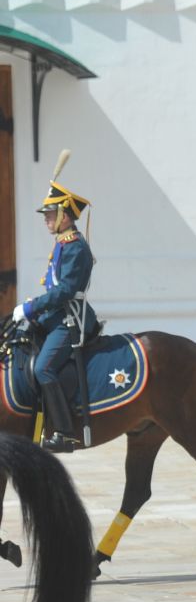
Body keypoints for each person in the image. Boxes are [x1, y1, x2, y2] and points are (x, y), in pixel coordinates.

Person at [12, 167, 99, 453]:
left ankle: (63, 433)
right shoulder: (62, 244)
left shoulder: (74, 247)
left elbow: (63, 292)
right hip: (57, 316)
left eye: (50, 214)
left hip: (71, 321)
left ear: (65, 216)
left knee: (44, 368)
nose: (47, 220)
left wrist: (32, 306)